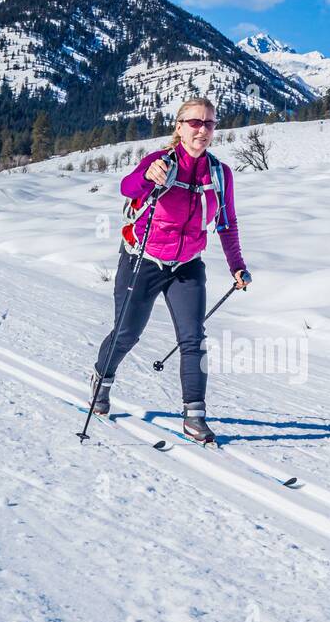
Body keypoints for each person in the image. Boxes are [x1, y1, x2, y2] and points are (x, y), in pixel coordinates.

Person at [89, 97, 250, 444]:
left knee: (193, 339)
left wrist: (237, 266)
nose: (202, 130)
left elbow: (226, 223)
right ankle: (102, 379)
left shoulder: (220, 175)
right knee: (127, 333)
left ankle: (195, 416)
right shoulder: (160, 163)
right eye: (195, 122)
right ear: (179, 127)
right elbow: (127, 188)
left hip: (187, 265)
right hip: (142, 259)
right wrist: (147, 176)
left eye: (209, 123)